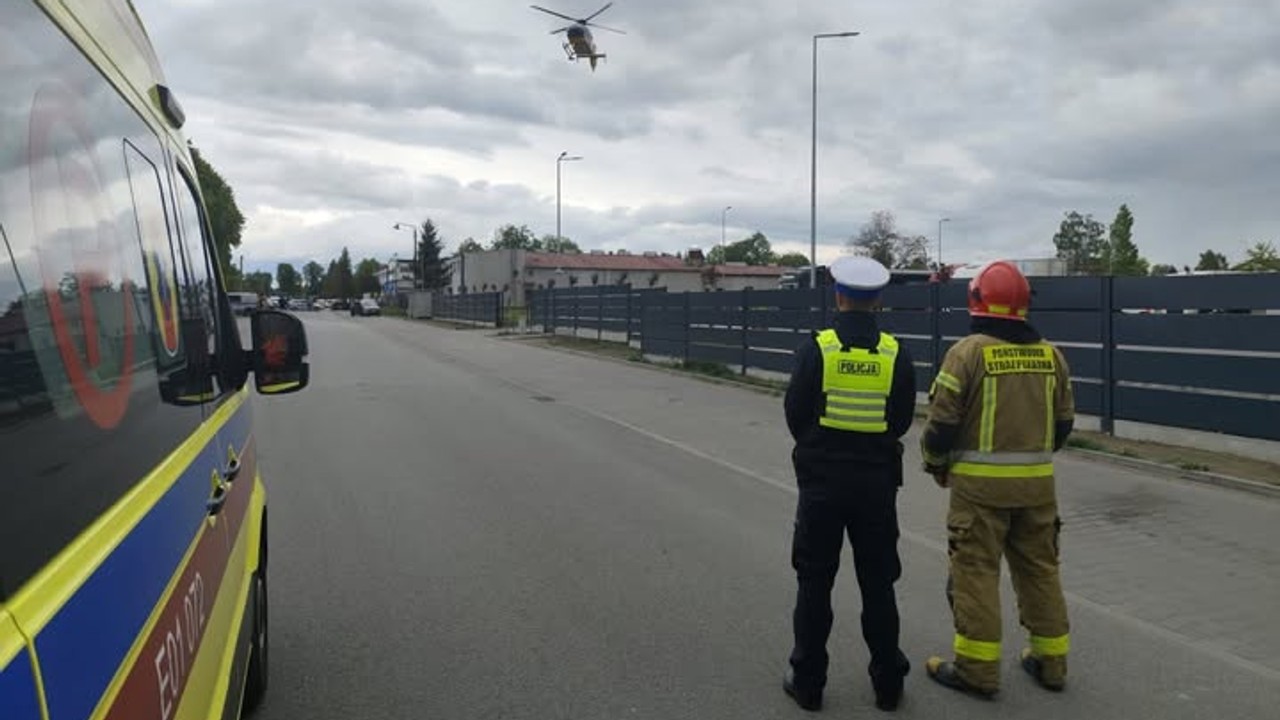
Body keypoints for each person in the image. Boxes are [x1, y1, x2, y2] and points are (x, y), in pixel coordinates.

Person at [920, 260, 1075, 697]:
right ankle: (1051, 664)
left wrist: (936, 464)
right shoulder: (1052, 356)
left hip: (978, 494)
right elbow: (1064, 424)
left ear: (976, 301)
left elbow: (940, 427)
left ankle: (977, 671)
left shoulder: (966, 353)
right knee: (1041, 571)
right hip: (1038, 490)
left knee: (975, 575)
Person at [783, 255, 916, 712]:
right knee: (878, 585)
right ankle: (888, 685)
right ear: (877, 300)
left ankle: (808, 684)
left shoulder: (816, 350)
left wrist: (822, 446)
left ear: (838, 295)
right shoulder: (896, 354)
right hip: (876, 486)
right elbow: (900, 420)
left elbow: (796, 415)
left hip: (821, 484)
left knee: (814, 582)